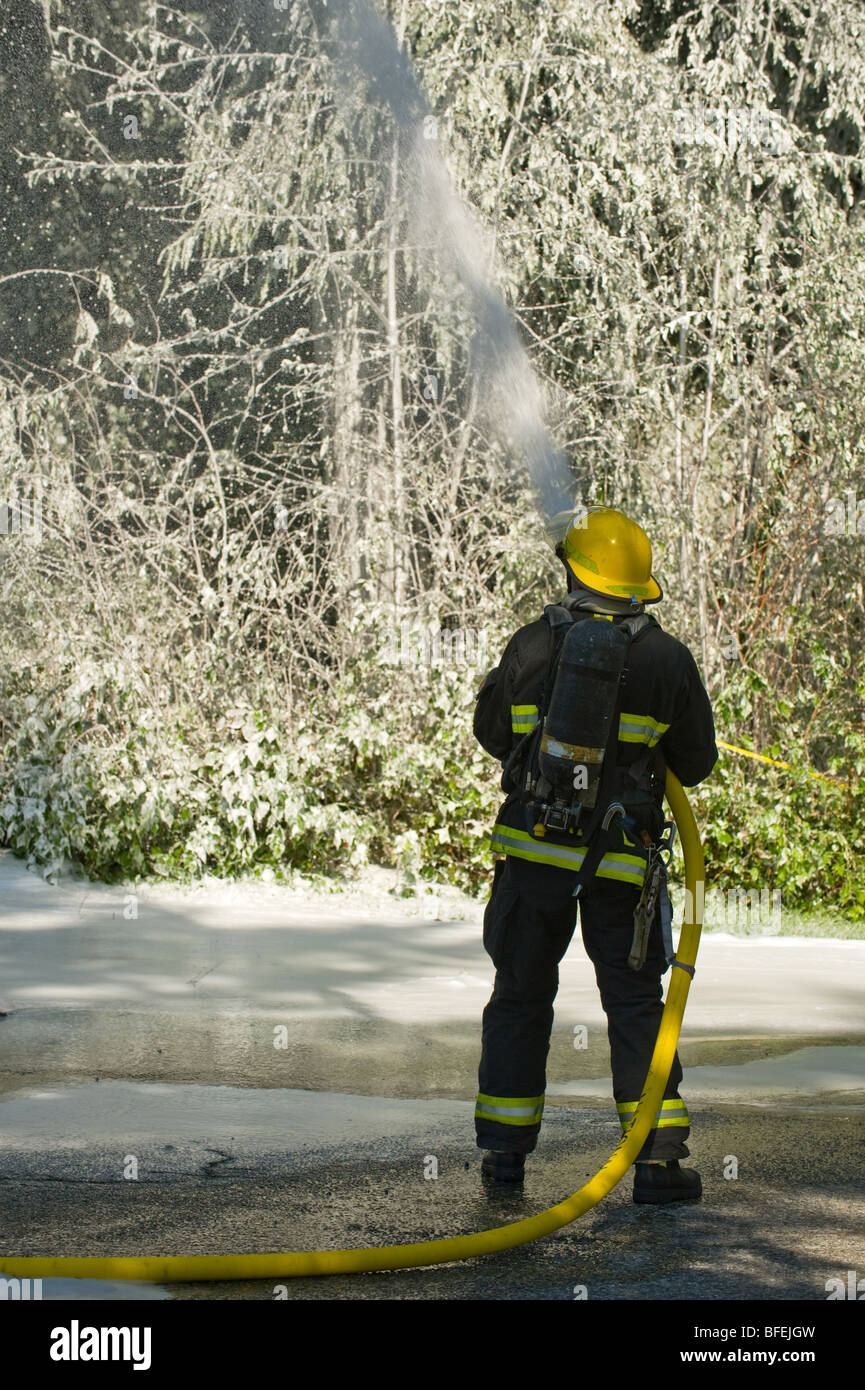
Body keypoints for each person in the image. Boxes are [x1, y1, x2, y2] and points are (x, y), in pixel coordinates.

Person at [472, 506, 717, 1203]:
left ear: (572, 571)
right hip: (621, 867)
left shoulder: (530, 645)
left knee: (519, 999)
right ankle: (658, 1164)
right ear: (639, 584)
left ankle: (504, 1165)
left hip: (533, 859)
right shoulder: (666, 660)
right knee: (637, 1004)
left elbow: (494, 736)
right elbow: (693, 764)